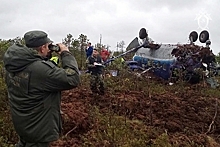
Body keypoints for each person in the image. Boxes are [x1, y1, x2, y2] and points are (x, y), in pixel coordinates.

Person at [3, 30, 80, 147]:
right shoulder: (40, 70)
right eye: (49, 46)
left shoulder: (13, 64)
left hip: (24, 126)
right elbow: (73, 78)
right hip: (38, 131)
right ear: (43, 47)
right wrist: (65, 53)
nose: (50, 49)